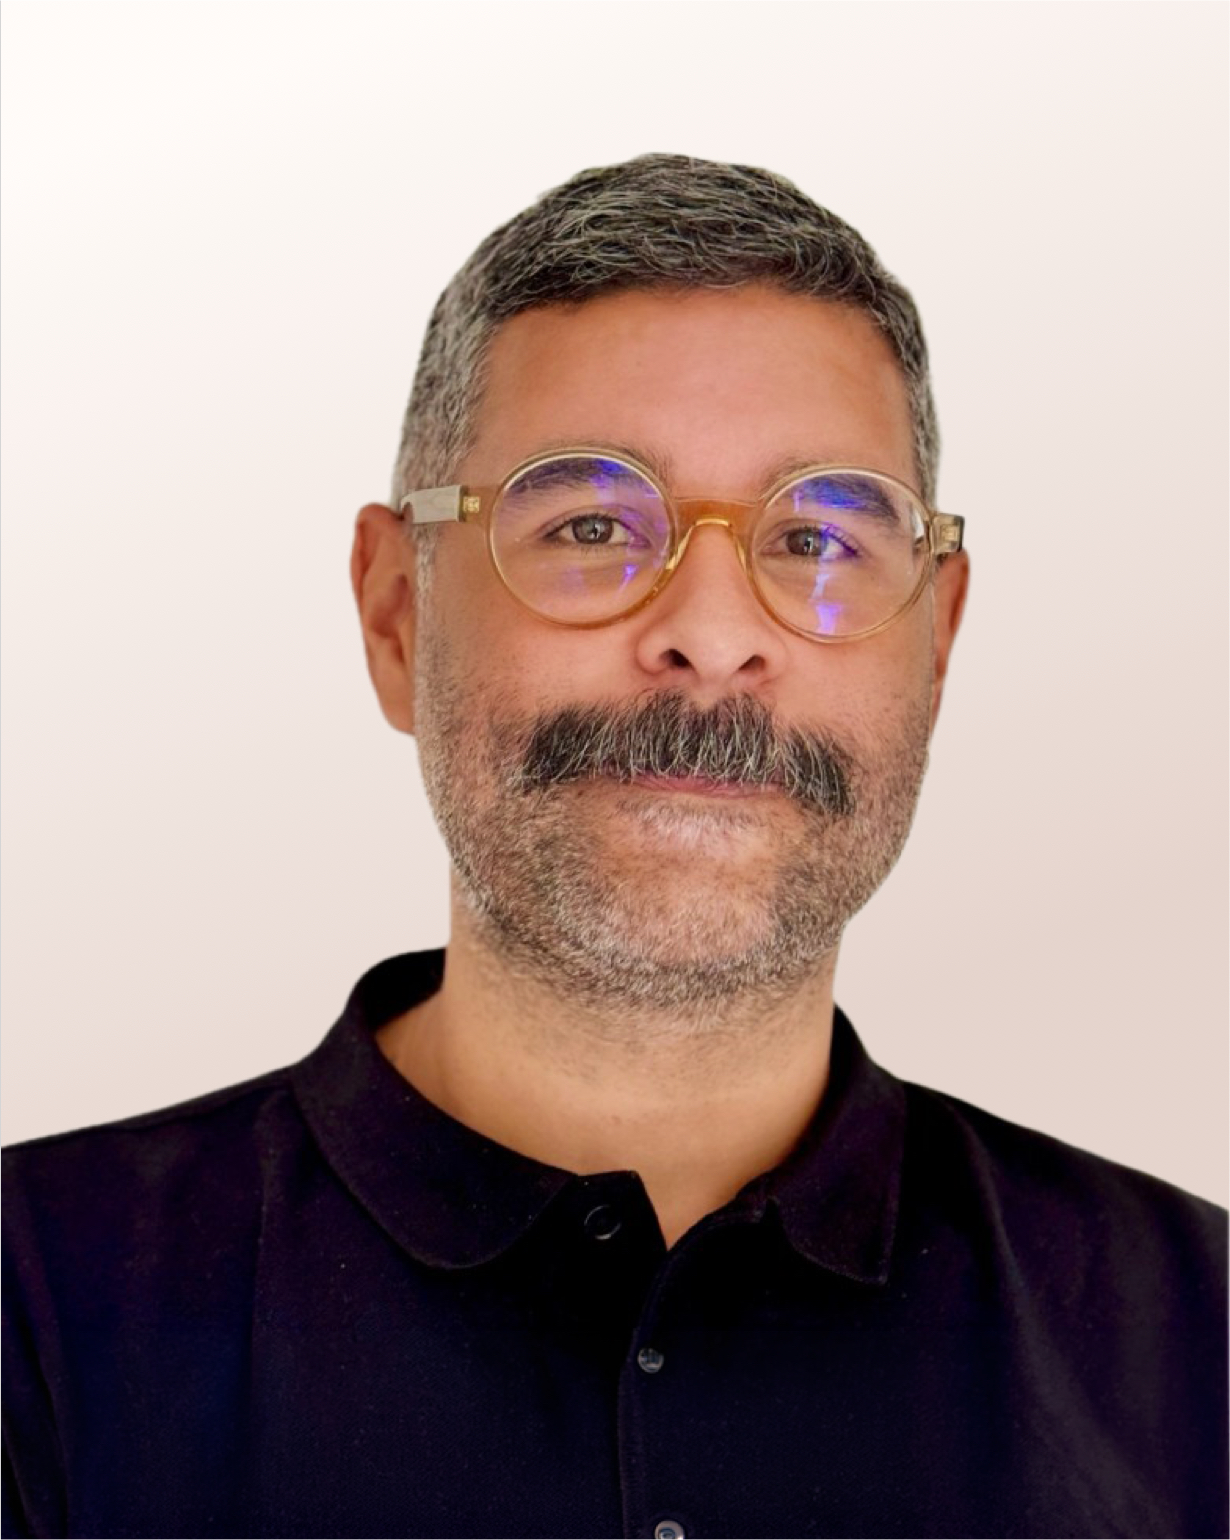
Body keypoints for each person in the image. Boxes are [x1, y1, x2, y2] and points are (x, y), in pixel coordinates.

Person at [3, 154, 1225, 1540]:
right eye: (591, 524)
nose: (711, 633)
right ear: (397, 615)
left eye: (819, 538)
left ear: (935, 645)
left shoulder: (1200, 1347)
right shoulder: (33, 1315)